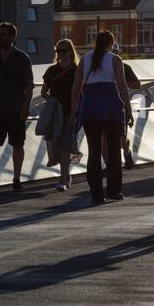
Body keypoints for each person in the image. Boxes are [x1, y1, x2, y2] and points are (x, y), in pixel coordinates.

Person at [70, 29, 134, 205]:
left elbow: (76, 88)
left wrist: (74, 110)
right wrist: (128, 109)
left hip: (90, 106)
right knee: (113, 151)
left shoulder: (84, 60)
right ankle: (114, 191)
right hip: (111, 106)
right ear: (111, 43)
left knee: (94, 151)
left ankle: (96, 194)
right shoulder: (115, 60)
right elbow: (122, 86)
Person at [0, 22, 35, 192]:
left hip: (16, 108)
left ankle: (16, 180)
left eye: (3, 34)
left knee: (18, 144)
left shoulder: (22, 58)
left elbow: (29, 86)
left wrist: (26, 107)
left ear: (12, 37)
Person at [40, 38, 79, 190]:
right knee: (55, 144)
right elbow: (44, 92)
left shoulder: (77, 70)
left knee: (65, 145)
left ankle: (63, 179)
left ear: (71, 52)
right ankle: (66, 176)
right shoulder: (51, 71)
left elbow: (82, 90)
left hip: (71, 111)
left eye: (64, 51)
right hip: (56, 113)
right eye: (58, 51)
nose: (61, 54)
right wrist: (52, 102)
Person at [114, 43, 141, 170]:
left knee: (122, 138)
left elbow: (137, 84)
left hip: (120, 106)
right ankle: (108, 165)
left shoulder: (125, 67)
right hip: (106, 106)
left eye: (115, 53)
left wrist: (122, 83)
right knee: (105, 140)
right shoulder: (100, 68)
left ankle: (126, 152)